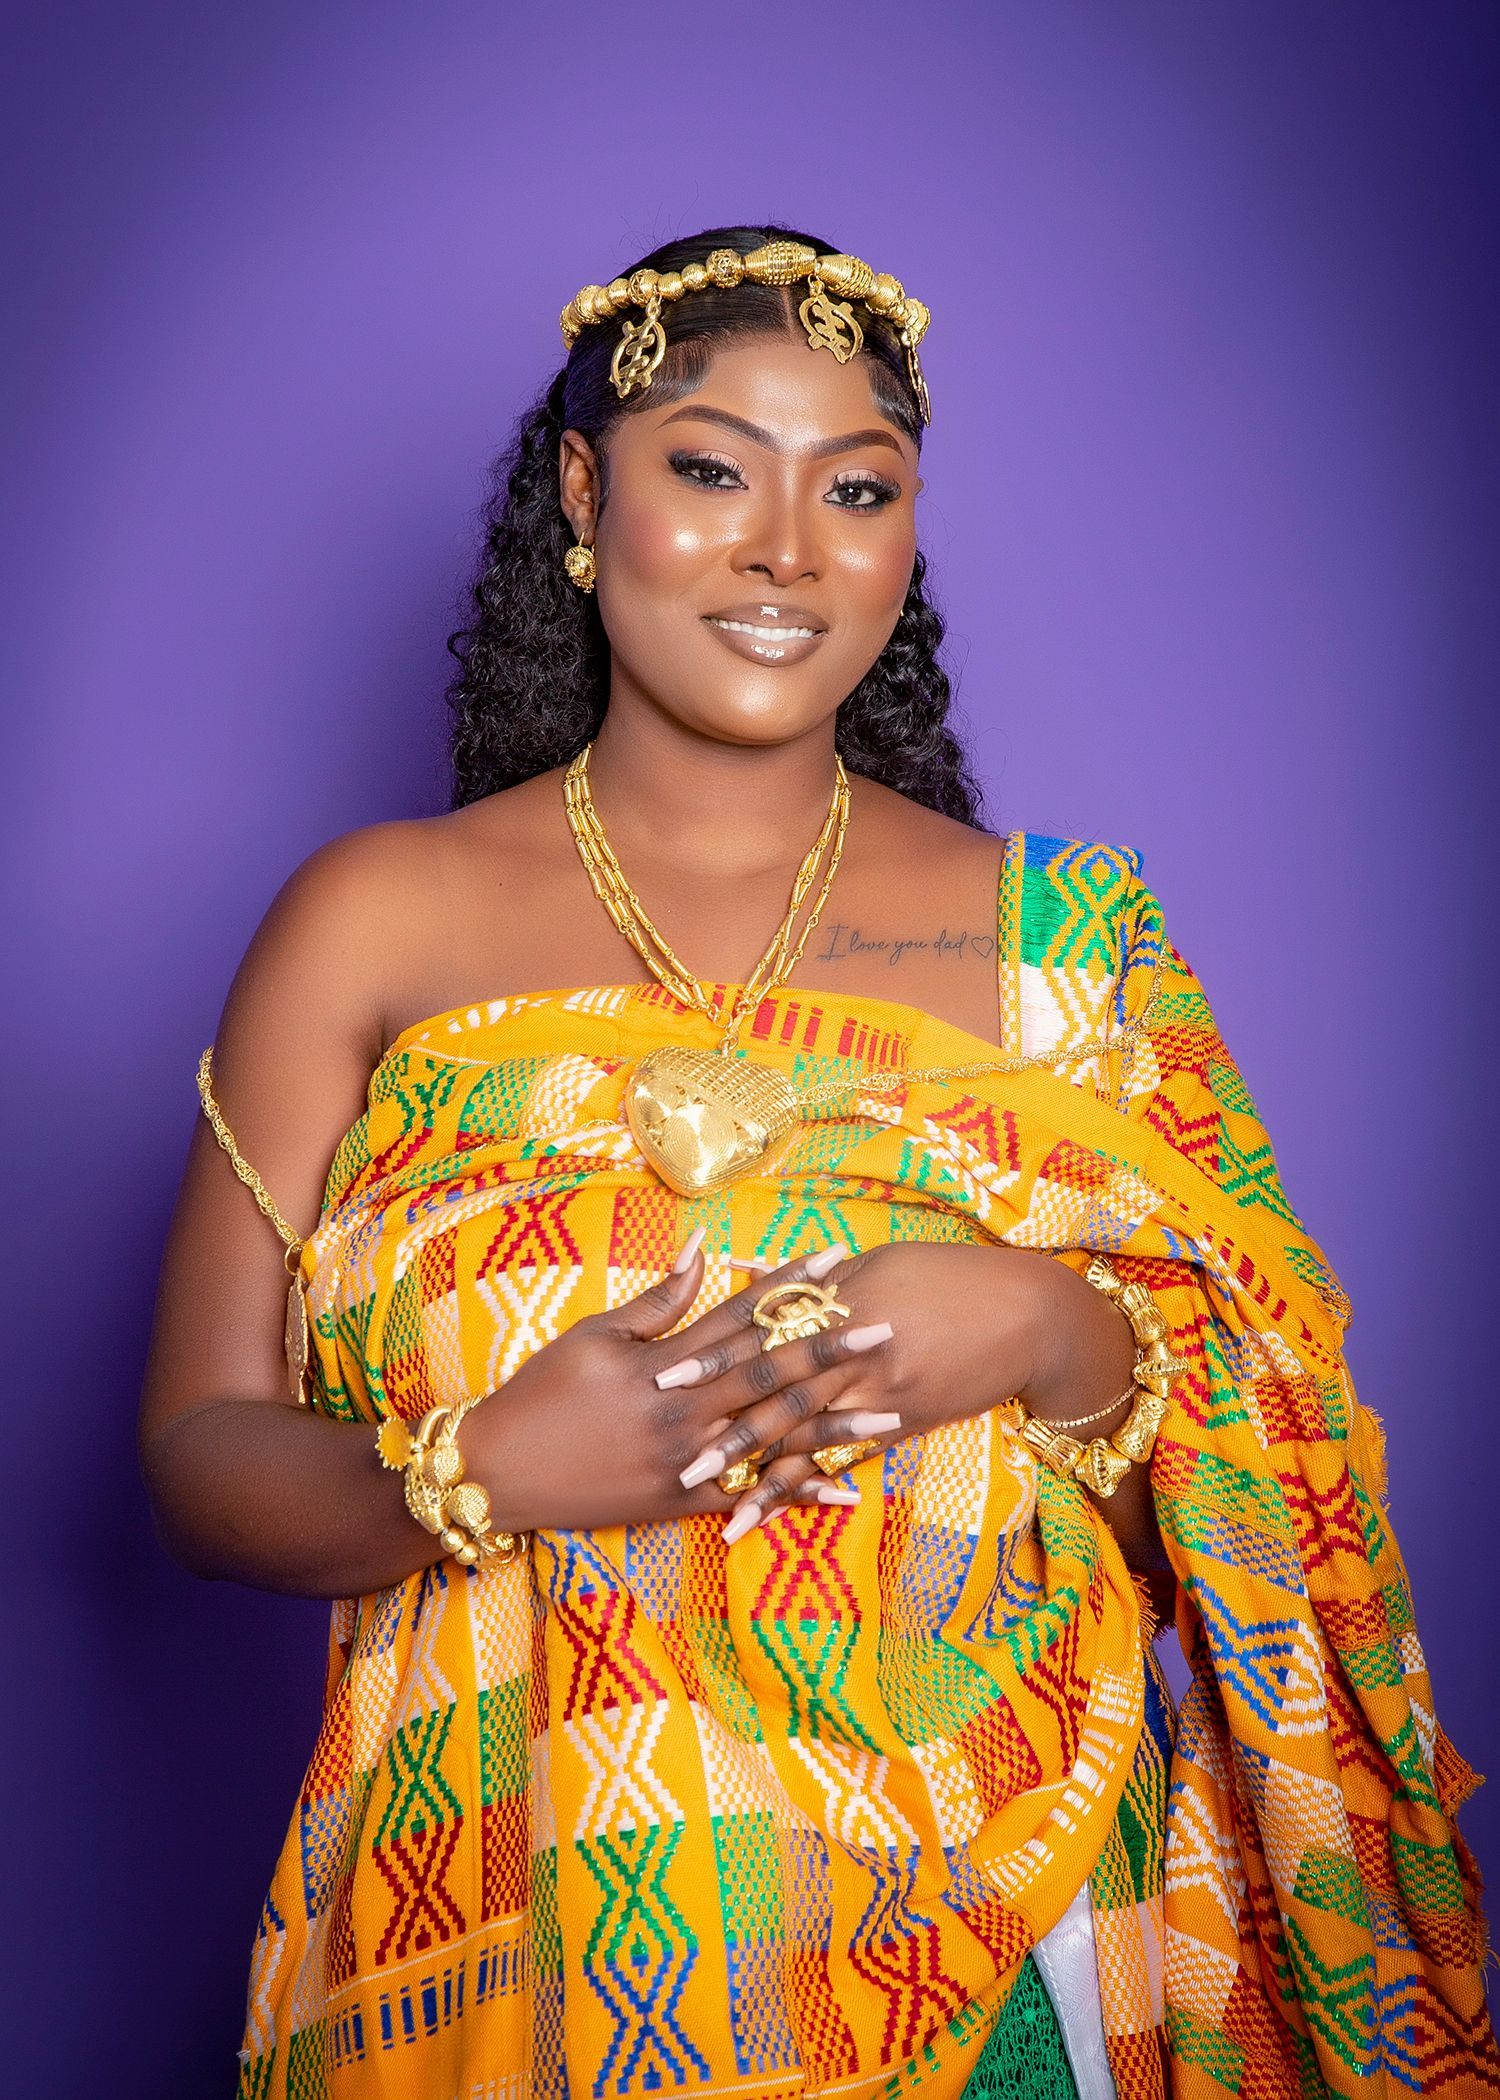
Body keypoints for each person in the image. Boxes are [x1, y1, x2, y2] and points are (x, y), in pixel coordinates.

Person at [140, 223, 1496, 2100]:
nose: (788, 550)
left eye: (856, 492)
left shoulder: (1060, 947)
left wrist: (1042, 1326)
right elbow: (199, 1457)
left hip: (1011, 1936)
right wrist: (481, 1474)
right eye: (712, 469)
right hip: (517, 1946)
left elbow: (1227, 1493)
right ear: (582, 491)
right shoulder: (375, 920)